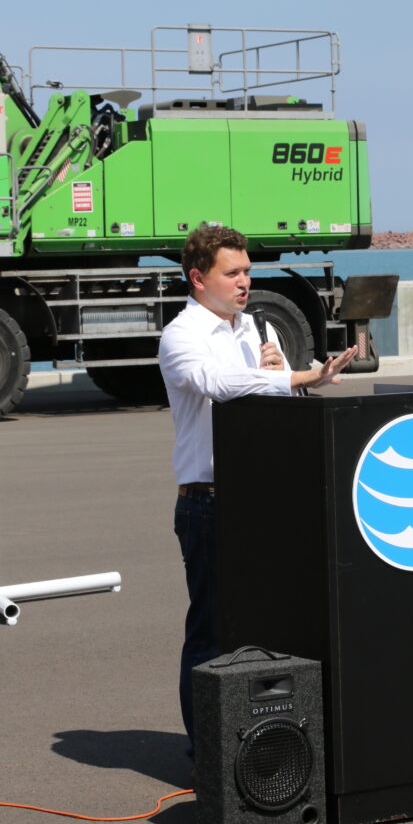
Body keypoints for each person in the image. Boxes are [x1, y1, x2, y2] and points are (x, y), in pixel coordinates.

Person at [159, 224, 357, 752]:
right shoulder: (182, 335)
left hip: (260, 496)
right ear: (199, 278)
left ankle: (257, 742)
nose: (245, 282)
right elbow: (218, 385)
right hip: (209, 501)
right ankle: (206, 752)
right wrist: (294, 378)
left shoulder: (255, 327)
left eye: (248, 271)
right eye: (234, 273)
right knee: (211, 632)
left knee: (267, 629)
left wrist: (283, 380)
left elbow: (263, 409)